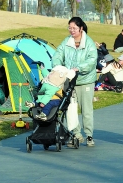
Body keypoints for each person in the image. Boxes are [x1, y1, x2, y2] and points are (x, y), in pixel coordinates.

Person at [52, 16, 97, 147]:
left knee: (86, 109)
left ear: (81, 28)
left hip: (86, 80)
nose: (71, 30)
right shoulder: (66, 41)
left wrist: (79, 68)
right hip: (70, 81)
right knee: (70, 109)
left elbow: (92, 60)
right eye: (69, 28)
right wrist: (58, 67)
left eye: (74, 28)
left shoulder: (88, 42)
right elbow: (58, 55)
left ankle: (89, 135)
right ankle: (76, 135)